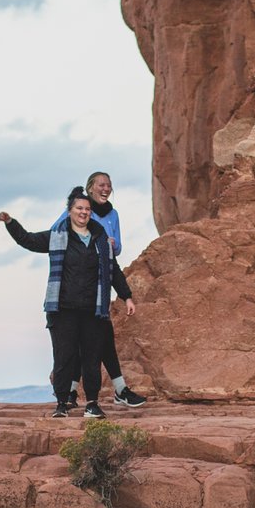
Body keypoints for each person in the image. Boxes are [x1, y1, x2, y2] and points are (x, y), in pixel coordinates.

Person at [0, 186, 134, 417]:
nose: (83, 213)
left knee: (91, 358)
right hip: (63, 309)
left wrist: (127, 296)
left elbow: (114, 271)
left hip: (94, 309)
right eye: (79, 208)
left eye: (87, 209)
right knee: (64, 356)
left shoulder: (101, 240)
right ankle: (62, 404)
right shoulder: (56, 236)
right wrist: (11, 222)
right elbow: (28, 240)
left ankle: (92, 403)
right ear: (70, 211)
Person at [84, 171, 148, 407]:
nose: (106, 188)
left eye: (109, 185)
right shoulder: (80, 209)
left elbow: (117, 248)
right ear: (90, 187)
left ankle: (118, 390)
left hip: (102, 282)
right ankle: (73, 393)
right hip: (80, 284)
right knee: (82, 341)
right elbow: (58, 232)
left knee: (101, 337)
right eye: (101, 184)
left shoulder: (113, 215)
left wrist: (111, 243)